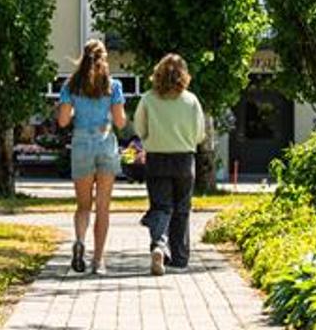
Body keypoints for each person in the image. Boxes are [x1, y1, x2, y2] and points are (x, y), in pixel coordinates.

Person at [56, 39, 126, 276]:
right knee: (103, 207)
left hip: (81, 144)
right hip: (105, 142)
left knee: (83, 205)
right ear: (104, 58)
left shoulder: (71, 86)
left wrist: (76, 110)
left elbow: (63, 121)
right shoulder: (113, 85)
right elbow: (120, 121)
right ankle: (98, 261)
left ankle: (79, 241)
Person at [134, 53, 207, 275]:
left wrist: (150, 140)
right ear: (183, 75)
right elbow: (200, 134)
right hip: (184, 158)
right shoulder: (191, 100)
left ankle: (159, 245)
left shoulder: (148, 99)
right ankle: (180, 258)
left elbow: (139, 129)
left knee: (161, 206)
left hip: (157, 157)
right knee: (182, 209)